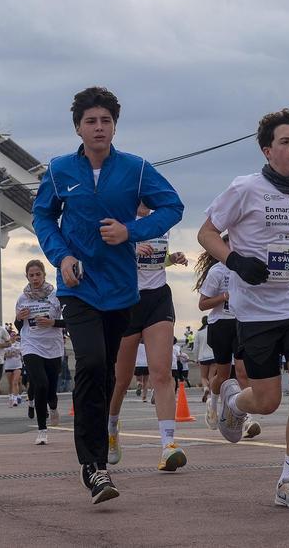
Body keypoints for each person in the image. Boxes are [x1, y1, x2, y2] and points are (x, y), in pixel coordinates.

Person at [32, 86, 184, 505]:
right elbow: (43, 215)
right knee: (93, 362)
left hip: (121, 291)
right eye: (90, 121)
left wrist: (129, 232)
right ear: (78, 127)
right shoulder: (61, 169)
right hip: (78, 288)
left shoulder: (136, 170)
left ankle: (100, 447)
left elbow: (173, 206)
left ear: (115, 126)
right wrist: (61, 256)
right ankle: (94, 466)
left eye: (106, 120)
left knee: (105, 376)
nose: (99, 127)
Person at [199, 108, 289, 509]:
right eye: (286, 141)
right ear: (268, 151)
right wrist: (235, 262)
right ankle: (233, 402)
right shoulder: (244, 189)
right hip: (257, 311)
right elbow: (207, 233)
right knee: (266, 400)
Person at [106, 198, 191, 472]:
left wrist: (171, 258)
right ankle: (111, 428)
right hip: (127, 298)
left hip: (158, 298)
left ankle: (168, 446)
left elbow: (155, 259)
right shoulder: (120, 217)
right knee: (121, 379)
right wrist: (130, 249)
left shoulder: (160, 219)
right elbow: (105, 256)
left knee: (162, 373)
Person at [195, 235, 259, 439]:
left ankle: (245, 417)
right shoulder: (217, 272)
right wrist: (223, 297)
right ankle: (212, 404)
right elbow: (202, 304)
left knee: (241, 371)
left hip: (241, 321)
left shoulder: (245, 268)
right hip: (220, 324)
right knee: (223, 375)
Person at [15, 259, 65, 444]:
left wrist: (53, 322)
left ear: (44, 275)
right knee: (40, 384)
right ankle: (42, 430)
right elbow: (19, 325)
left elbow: (69, 321)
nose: (35, 278)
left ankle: (53, 406)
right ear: (27, 277)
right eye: (31, 275)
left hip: (52, 346)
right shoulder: (22, 298)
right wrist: (18, 318)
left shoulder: (56, 296)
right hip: (31, 345)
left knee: (51, 390)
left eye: (38, 275)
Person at [195, 318, 215, 403]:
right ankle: (211, 394)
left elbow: (195, 347)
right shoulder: (214, 331)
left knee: (203, 377)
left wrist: (196, 358)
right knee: (211, 377)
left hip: (203, 357)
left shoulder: (199, 333)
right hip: (214, 356)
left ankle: (205, 388)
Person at [3, 335, 25, 407]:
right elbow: (4, 355)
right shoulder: (6, 345)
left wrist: (11, 354)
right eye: (11, 336)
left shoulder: (19, 344)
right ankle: (11, 398)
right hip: (8, 366)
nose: (13, 337)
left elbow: (20, 352)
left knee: (15, 382)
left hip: (17, 365)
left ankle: (15, 399)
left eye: (14, 335)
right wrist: (9, 354)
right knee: (10, 383)